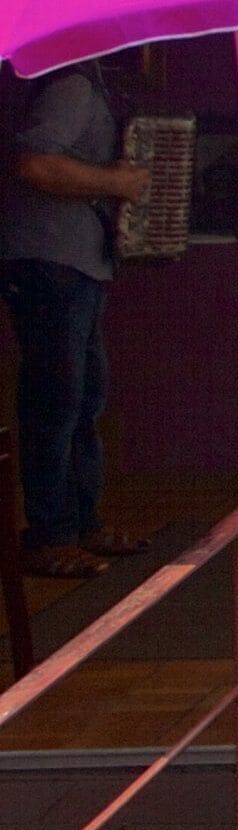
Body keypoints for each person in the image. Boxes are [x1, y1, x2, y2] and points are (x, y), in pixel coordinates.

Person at [5, 62, 147, 577]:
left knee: (84, 396)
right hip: (50, 261)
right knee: (56, 399)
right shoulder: (72, 86)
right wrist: (114, 182)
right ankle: (50, 534)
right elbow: (35, 164)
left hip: (79, 262)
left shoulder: (94, 87)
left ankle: (80, 522)